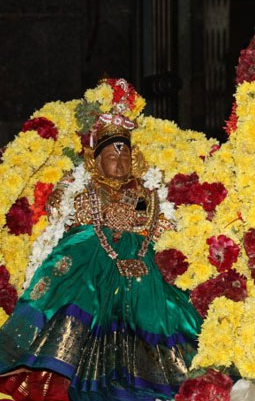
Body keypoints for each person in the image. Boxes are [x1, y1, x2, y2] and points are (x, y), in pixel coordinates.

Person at [0, 108, 202, 400]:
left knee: (158, 302)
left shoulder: (147, 193)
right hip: (88, 260)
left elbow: (153, 223)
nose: (119, 164)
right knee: (74, 288)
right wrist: (63, 197)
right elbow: (63, 217)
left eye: (124, 157)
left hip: (139, 261)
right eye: (111, 157)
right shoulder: (82, 190)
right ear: (97, 161)